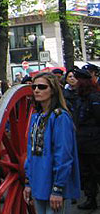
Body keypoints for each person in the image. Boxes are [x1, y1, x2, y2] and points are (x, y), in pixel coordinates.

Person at [23, 72, 80, 214]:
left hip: (52, 185)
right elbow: (30, 153)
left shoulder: (60, 117)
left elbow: (64, 155)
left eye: (42, 87)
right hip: (38, 184)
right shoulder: (36, 118)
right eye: (34, 87)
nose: (36, 90)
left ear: (53, 90)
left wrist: (58, 189)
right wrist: (29, 183)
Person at [71, 68, 100, 210]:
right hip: (83, 142)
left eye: (77, 80)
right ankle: (91, 198)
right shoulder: (80, 99)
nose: (74, 82)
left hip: (94, 142)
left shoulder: (94, 98)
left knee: (96, 171)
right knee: (87, 173)